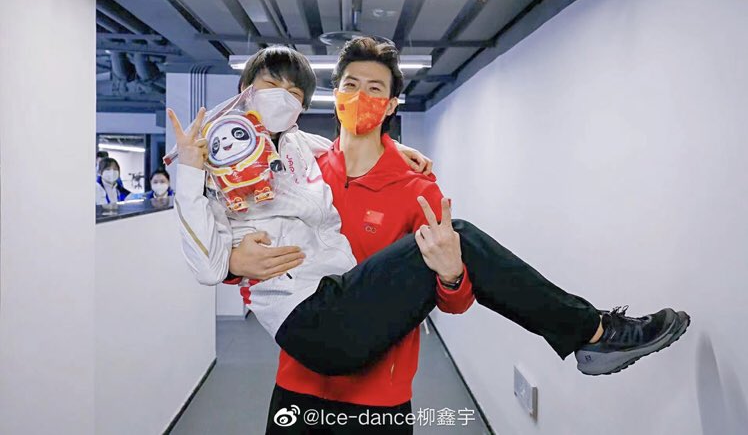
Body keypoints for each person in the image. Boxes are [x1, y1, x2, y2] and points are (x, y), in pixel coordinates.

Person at [170, 43, 689, 434]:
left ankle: (591, 332)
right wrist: (233, 260)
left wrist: (452, 273)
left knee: (458, 239)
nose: (360, 97)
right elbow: (240, 234)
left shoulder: (416, 186)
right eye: (350, 84)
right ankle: (594, 333)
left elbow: (455, 300)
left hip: (379, 396)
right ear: (335, 95)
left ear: (391, 104)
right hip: (300, 384)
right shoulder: (307, 169)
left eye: (375, 89)